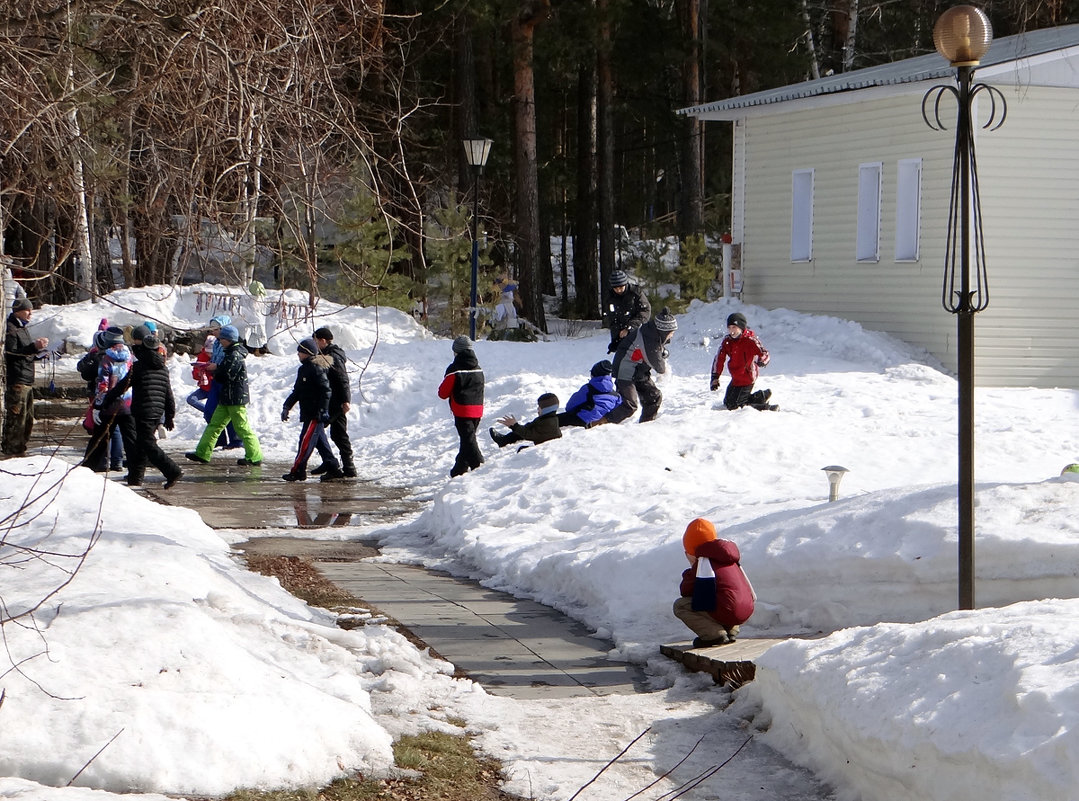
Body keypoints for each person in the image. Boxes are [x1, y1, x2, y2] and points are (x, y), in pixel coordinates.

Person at [100, 332, 182, 489]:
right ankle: (135, 479)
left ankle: (172, 470)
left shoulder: (138, 367)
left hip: (143, 411)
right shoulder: (163, 369)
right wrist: (169, 416)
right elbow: (168, 395)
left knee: (147, 444)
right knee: (140, 446)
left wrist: (107, 399)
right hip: (156, 412)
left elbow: (122, 386)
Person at [185, 325, 263, 466]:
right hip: (226, 397)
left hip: (235, 399)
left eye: (222, 338)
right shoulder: (230, 353)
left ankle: (255, 456)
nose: (219, 341)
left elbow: (226, 375)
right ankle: (202, 453)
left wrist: (214, 369)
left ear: (229, 340)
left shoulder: (235, 355)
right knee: (214, 425)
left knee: (242, 427)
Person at [673, 518, 755, 648]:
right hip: (745, 609)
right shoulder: (729, 559)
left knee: (680, 605)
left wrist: (691, 568)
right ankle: (731, 630)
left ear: (691, 552)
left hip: (727, 610)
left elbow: (686, 590)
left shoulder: (703, 563)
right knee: (725, 595)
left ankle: (714, 635)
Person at [280, 338, 343, 482]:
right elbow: (297, 391)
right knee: (319, 441)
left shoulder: (316, 368)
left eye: (300, 352)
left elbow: (326, 390)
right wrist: (287, 406)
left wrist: (322, 410)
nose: (298, 355)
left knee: (305, 442)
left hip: (315, 413)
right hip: (308, 411)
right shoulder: (303, 369)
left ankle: (298, 471)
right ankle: (332, 465)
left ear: (307, 353)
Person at [604, 307, 677, 424]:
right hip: (625, 370)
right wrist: (662, 362)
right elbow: (659, 366)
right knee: (629, 406)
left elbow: (653, 352)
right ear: (664, 331)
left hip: (638, 371)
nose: (672, 335)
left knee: (654, 397)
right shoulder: (650, 339)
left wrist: (662, 352)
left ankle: (645, 426)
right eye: (671, 332)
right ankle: (600, 423)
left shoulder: (652, 333)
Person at [82, 326, 136, 472]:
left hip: (109, 404)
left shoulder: (106, 359)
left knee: (99, 437)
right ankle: (130, 468)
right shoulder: (129, 357)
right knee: (129, 439)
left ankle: (88, 467)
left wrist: (97, 407)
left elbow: (102, 386)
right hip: (127, 402)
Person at [3, 297, 49, 456]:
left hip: (27, 379)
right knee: (17, 419)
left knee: (28, 419)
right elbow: (10, 354)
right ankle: (12, 450)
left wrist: (37, 352)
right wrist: (33, 347)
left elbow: (25, 353)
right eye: (27, 310)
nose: (30, 313)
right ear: (18, 311)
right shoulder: (11, 329)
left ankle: (21, 448)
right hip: (17, 380)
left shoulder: (22, 328)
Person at [437, 335, 484, 478]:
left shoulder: (454, 369)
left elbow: (442, 393)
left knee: (469, 441)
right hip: (478, 409)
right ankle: (459, 469)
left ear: (456, 351)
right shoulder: (478, 368)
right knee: (467, 440)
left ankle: (479, 466)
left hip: (461, 409)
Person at [709, 312, 776, 411]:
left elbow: (764, 353)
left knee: (735, 406)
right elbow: (719, 359)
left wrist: (763, 360)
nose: (732, 331)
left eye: (734, 327)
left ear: (741, 327)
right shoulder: (727, 341)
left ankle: (768, 408)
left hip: (747, 377)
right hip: (736, 377)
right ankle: (761, 396)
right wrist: (715, 377)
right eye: (729, 328)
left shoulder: (750, 341)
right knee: (728, 403)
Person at [312, 327, 355, 477]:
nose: (315, 344)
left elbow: (342, 379)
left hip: (335, 401)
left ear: (323, 341)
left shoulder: (333, 357)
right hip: (332, 400)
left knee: (327, 433)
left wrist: (345, 400)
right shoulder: (326, 355)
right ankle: (345, 467)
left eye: (316, 340)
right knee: (337, 434)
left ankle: (340, 466)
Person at [202, 315, 242, 449]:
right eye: (212, 329)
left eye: (216, 329)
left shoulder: (234, 346)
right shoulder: (216, 343)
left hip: (227, 383)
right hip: (216, 380)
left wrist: (216, 366)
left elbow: (232, 363)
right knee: (209, 411)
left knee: (229, 413)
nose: (213, 332)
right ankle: (220, 439)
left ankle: (236, 441)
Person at [557, 360, 622, 429]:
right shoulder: (616, 395)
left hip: (583, 419)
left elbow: (570, 406)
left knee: (554, 420)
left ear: (594, 374)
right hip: (602, 421)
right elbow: (618, 408)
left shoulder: (588, 389)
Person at [489, 392, 562, 448]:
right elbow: (529, 427)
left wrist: (514, 426)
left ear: (546, 409)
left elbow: (529, 435)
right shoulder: (547, 419)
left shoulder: (548, 423)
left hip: (545, 448)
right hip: (542, 444)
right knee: (521, 430)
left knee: (522, 449)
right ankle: (504, 440)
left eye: (539, 407)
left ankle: (503, 441)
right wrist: (514, 426)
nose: (537, 409)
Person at [605, 269, 651, 354]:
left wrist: (629, 328)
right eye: (616, 288)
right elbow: (612, 319)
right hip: (622, 335)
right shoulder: (610, 297)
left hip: (638, 332)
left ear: (625, 284)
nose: (618, 290)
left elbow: (645, 312)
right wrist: (616, 339)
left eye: (621, 287)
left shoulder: (636, 293)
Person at [186, 335, 216, 413]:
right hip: (204, 388)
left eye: (211, 353)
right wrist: (199, 374)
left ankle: (211, 413)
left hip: (214, 389)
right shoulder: (202, 357)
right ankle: (208, 411)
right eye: (208, 352)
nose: (210, 355)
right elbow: (194, 374)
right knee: (191, 399)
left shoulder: (218, 357)